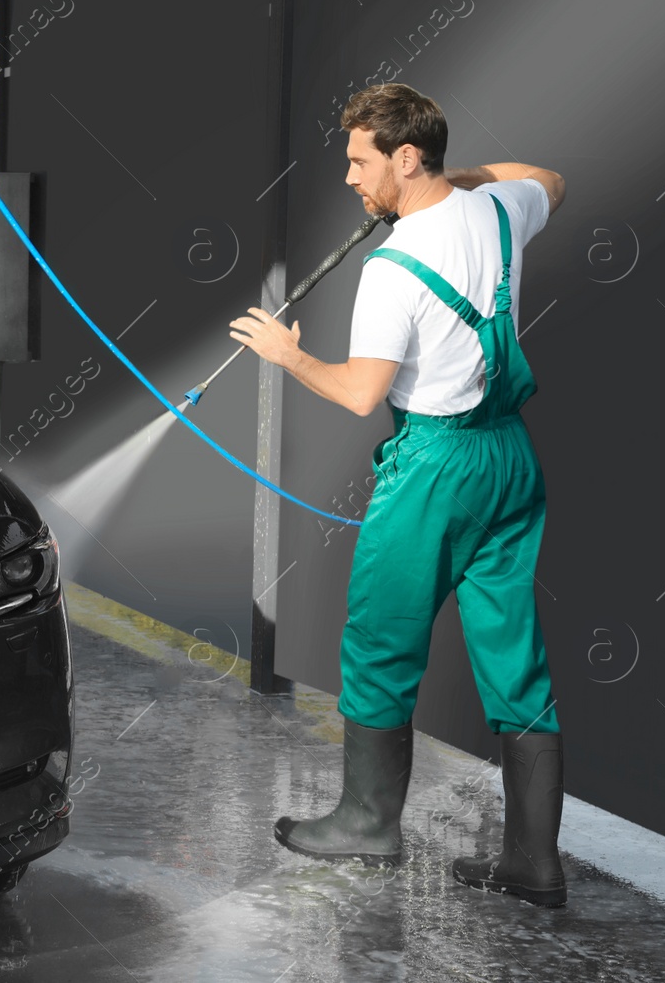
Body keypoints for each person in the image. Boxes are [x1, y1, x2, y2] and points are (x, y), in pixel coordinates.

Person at [227, 82, 568, 908]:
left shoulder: (391, 267)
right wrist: (465, 179)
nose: (349, 177)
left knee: (380, 642)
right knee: (516, 659)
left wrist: (286, 354)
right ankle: (534, 863)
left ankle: (367, 825)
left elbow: (357, 391)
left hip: (435, 467)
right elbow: (551, 178)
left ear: (405, 157)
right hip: (509, 458)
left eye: (359, 161)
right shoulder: (501, 211)